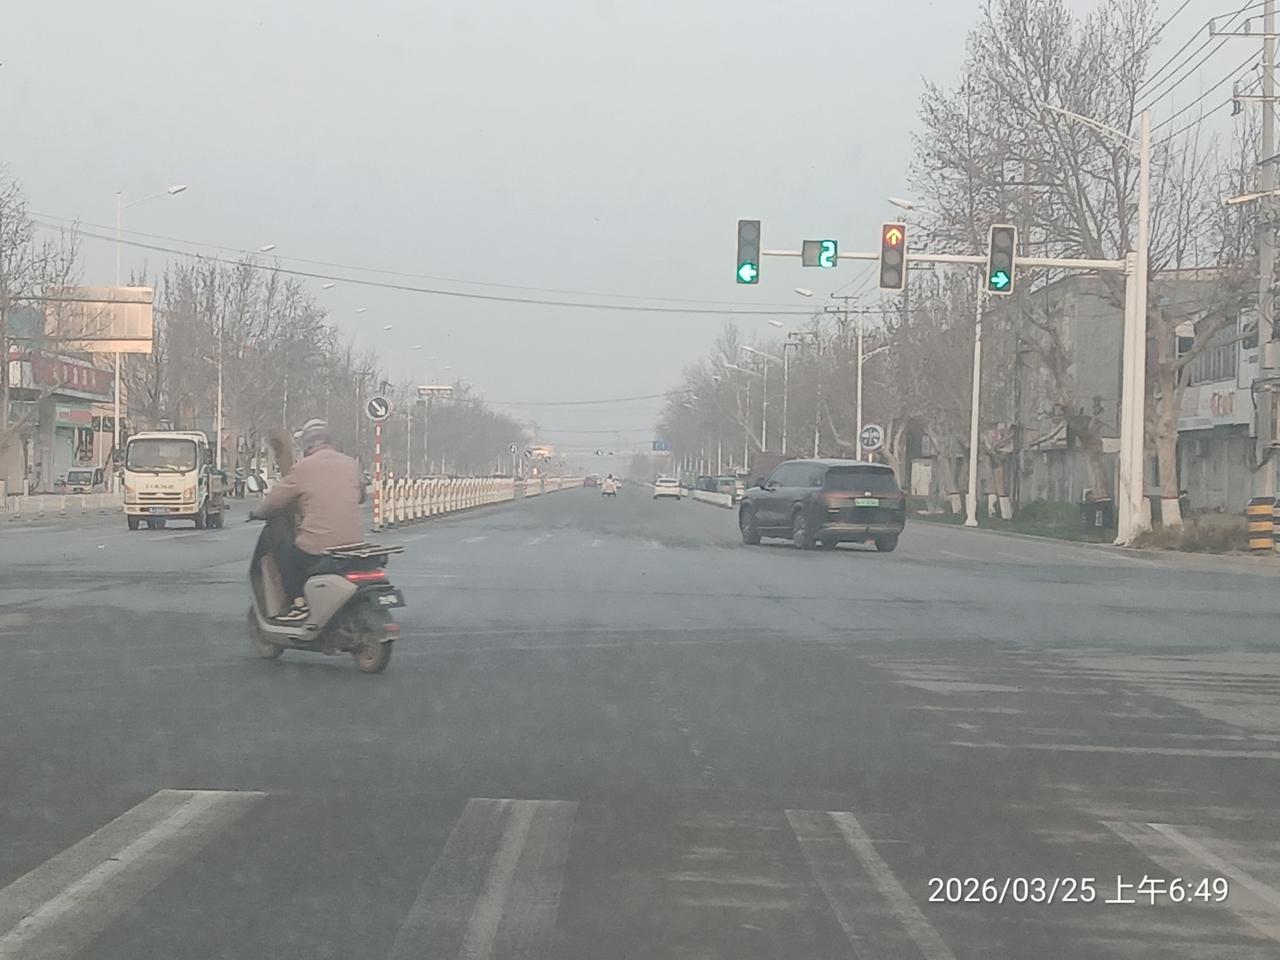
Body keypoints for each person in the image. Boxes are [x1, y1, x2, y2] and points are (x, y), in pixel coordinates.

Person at [250, 419, 366, 622]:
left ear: (307, 444)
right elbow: (361, 496)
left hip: (321, 548)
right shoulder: (351, 464)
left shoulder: (303, 468)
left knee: (286, 552)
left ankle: (298, 603)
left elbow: (274, 501)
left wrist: (256, 513)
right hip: (354, 544)